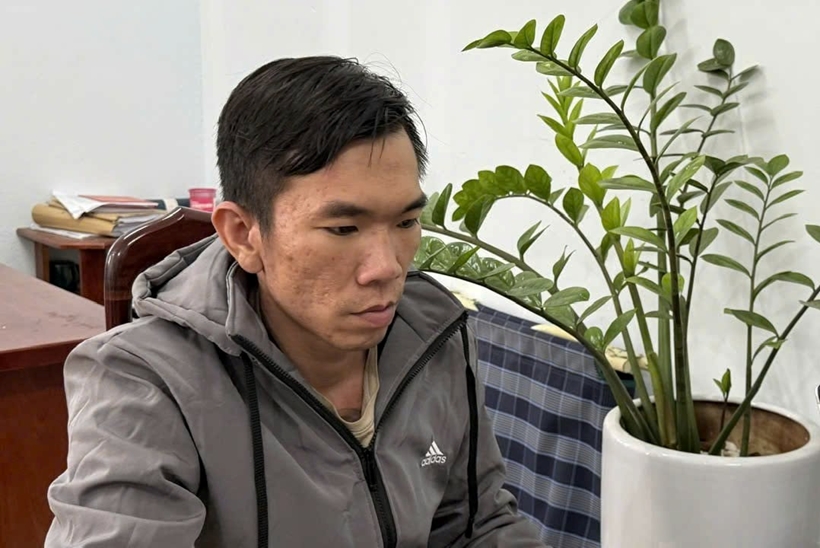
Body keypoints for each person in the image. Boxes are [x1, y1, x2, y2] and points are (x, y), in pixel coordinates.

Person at [45, 56, 545, 547]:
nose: (387, 268)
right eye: (343, 228)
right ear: (243, 234)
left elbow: (477, 525)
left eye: (406, 222)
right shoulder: (144, 379)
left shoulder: (434, 335)